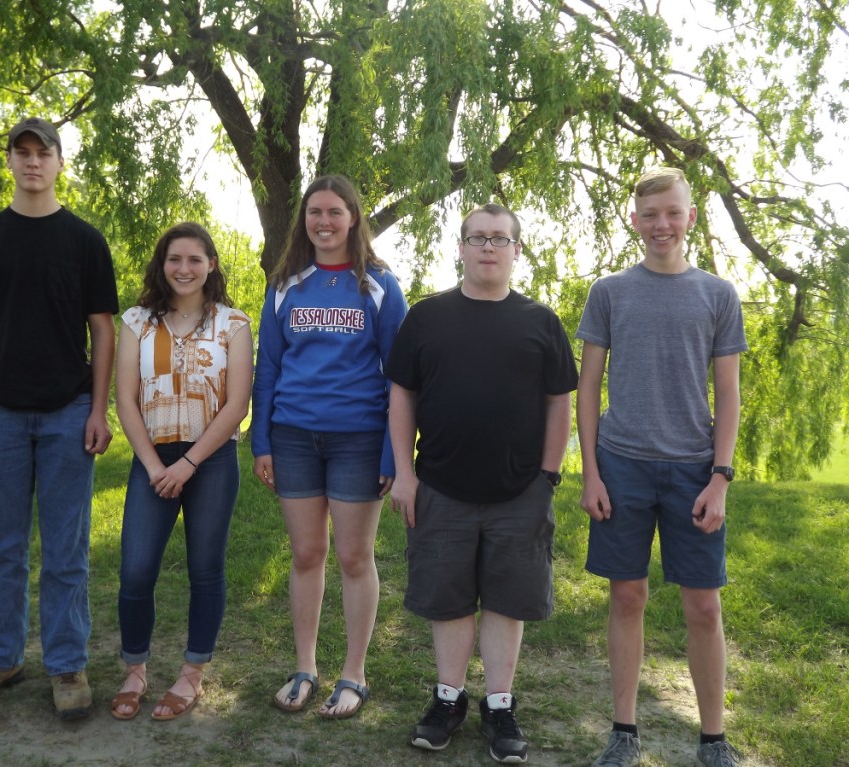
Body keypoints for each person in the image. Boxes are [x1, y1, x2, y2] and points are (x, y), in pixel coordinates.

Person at [387, 203, 578, 763]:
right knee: (447, 600)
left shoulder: (541, 322)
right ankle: (448, 700)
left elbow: (558, 401)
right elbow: (402, 396)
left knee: (505, 599)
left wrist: (547, 476)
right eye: (477, 238)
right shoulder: (426, 318)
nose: (488, 247)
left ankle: (499, 705)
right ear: (462, 248)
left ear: (517, 250)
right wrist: (404, 472)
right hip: (440, 487)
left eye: (500, 238)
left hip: (521, 491)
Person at [0, 117, 119, 719]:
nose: (31, 162)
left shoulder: (85, 242)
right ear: (11, 163)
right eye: (20, 153)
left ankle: (67, 665)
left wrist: (100, 410)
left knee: (67, 550)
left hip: (69, 411)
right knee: (1, 546)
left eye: (41, 152)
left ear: (59, 161)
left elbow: (103, 331)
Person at [577, 167, 746, 767]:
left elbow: (728, 396)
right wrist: (591, 473)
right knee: (627, 597)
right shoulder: (610, 292)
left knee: (704, 606)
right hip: (620, 466)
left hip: (694, 470)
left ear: (690, 218)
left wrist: (720, 478)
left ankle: (713, 738)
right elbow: (588, 386)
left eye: (672, 213)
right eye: (650, 215)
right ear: (634, 221)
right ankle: (624, 730)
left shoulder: (718, 295)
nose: (661, 225)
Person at [251, 174, 408, 719]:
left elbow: (401, 377)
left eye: (334, 212)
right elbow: (268, 365)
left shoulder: (381, 285)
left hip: (359, 440)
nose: (323, 222)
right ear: (304, 219)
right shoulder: (287, 283)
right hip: (293, 435)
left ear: (353, 218)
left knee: (353, 556)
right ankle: (305, 668)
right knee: (306, 554)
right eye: (314, 212)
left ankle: (354, 674)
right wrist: (262, 440)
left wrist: (394, 453)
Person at [110, 222, 253, 721]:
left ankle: (191, 674)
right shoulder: (136, 322)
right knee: (136, 570)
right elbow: (124, 399)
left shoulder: (233, 324)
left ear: (211, 264)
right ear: (162, 264)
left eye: (195, 259)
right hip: (152, 459)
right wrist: (154, 464)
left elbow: (237, 404)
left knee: (205, 569)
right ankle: (135, 669)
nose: (184, 269)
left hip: (211, 460)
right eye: (175, 259)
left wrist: (190, 463)